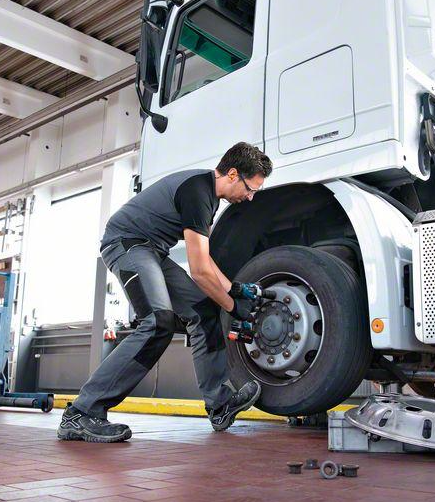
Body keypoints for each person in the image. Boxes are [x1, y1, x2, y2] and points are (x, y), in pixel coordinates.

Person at [57, 142, 273, 443]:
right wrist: (233, 307)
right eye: (250, 189)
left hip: (153, 251)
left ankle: (220, 403)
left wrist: (233, 289)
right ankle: (82, 412)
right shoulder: (198, 192)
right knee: (158, 322)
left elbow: (205, 259)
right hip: (127, 243)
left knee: (204, 310)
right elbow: (199, 272)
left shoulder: (209, 197)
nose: (250, 197)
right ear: (233, 174)